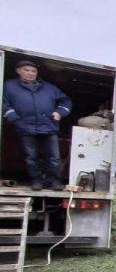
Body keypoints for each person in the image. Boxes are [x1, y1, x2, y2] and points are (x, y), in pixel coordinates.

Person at [2, 60, 72, 190]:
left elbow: (66, 101)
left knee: (54, 157)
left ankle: (55, 182)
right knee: (32, 157)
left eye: (33, 71)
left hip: (49, 127)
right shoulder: (9, 86)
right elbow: (3, 103)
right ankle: (37, 181)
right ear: (18, 71)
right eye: (26, 70)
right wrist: (15, 118)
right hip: (26, 128)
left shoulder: (49, 88)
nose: (30, 73)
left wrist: (59, 112)